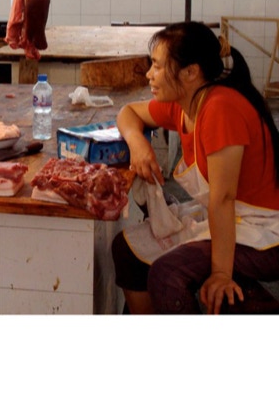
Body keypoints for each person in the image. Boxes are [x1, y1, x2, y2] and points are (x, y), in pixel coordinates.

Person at [112, 21, 279, 314]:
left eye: (157, 66)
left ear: (190, 72)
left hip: (263, 231)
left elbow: (223, 199)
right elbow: (127, 113)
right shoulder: (184, 103)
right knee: (127, 251)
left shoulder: (220, 108)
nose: (149, 74)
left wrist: (221, 274)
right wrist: (138, 144)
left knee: (167, 275)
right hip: (233, 219)